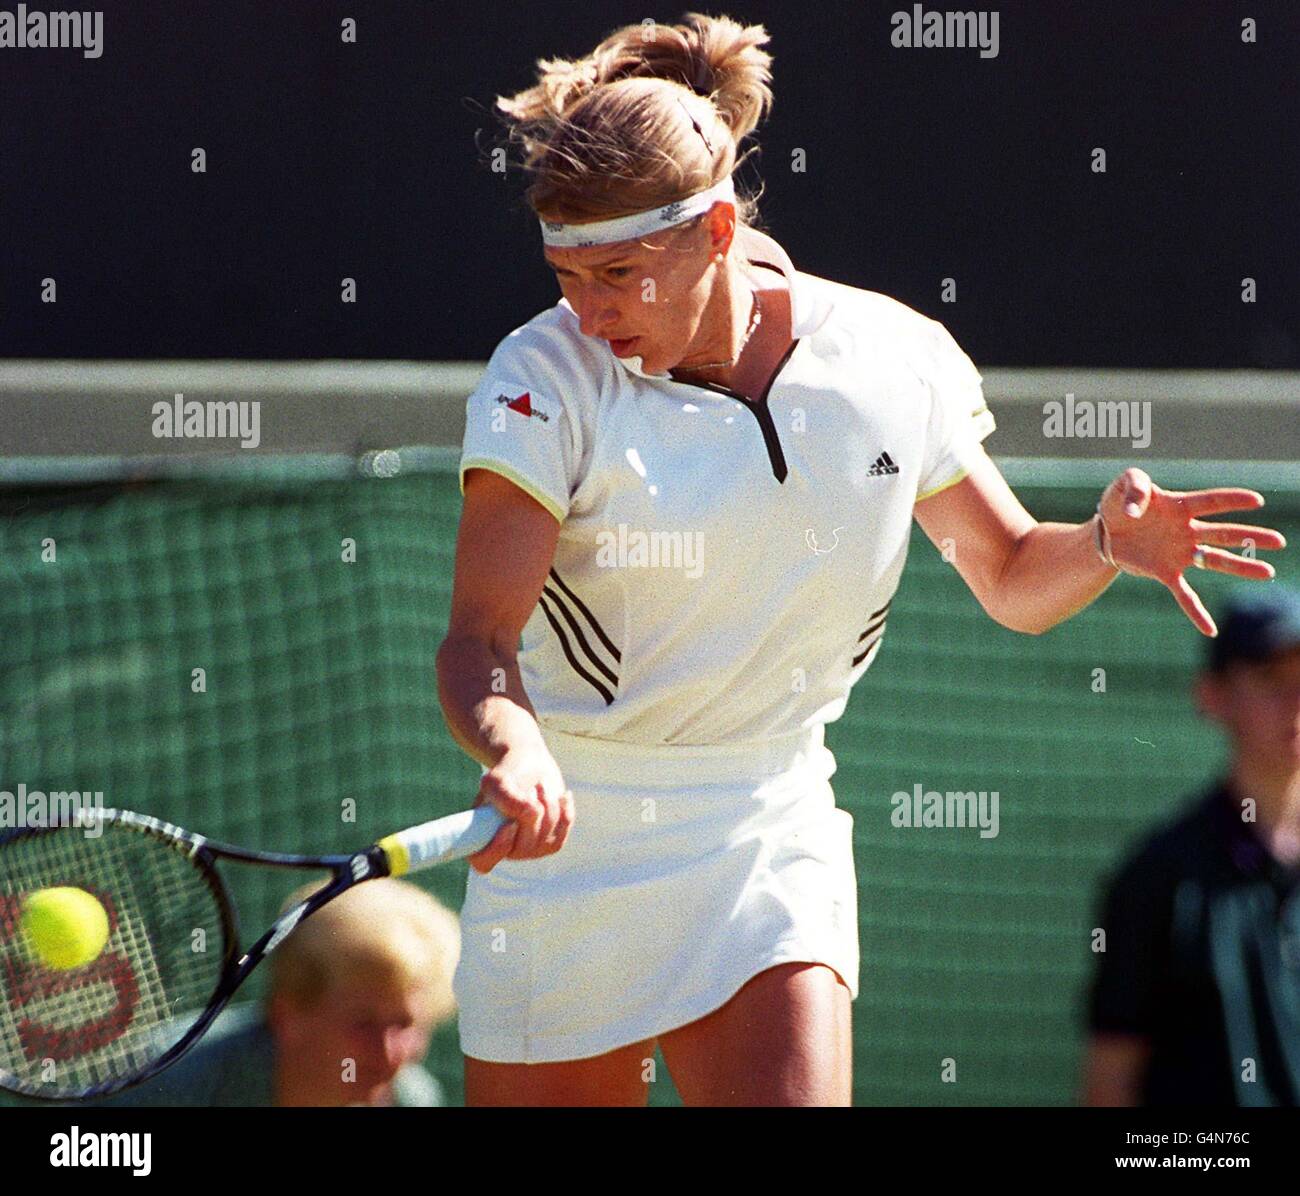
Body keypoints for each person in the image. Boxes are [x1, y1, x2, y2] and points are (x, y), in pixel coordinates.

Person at [440, 13, 1285, 1107]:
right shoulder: (541, 377)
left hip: (764, 824)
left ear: (715, 228)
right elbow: (480, 637)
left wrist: (1104, 545)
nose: (589, 311)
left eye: (620, 272)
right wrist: (514, 745)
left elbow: (1012, 572)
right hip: (565, 842)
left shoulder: (890, 359)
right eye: (566, 274)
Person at [1084, 586, 1300, 1107]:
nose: (1295, 702)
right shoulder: (1156, 879)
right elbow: (1110, 1077)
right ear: (1213, 696)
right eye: (1271, 678)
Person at [90, 878, 459, 1107]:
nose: (389, 1054)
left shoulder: (413, 1100)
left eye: (405, 1024)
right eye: (363, 1024)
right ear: (286, 1015)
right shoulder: (165, 1085)